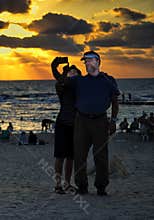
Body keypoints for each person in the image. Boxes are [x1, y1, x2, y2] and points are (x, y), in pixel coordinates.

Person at [64, 51, 120, 196]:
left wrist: (113, 121)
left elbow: (115, 101)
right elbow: (61, 82)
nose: (87, 63)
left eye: (89, 60)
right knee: (79, 155)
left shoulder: (108, 80)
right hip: (81, 120)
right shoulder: (80, 80)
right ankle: (82, 186)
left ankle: (101, 187)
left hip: (101, 121)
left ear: (98, 61)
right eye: (85, 61)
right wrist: (62, 70)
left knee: (101, 155)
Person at [51, 57, 81, 194]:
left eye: (75, 72)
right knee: (60, 156)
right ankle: (58, 185)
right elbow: (59, 80)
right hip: (63, 123)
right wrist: (57, 68)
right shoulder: (62, 87)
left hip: (75, 125)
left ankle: (68, 184)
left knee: (71, 157)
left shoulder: (80, 87)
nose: (72, 73)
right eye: (71, 72)